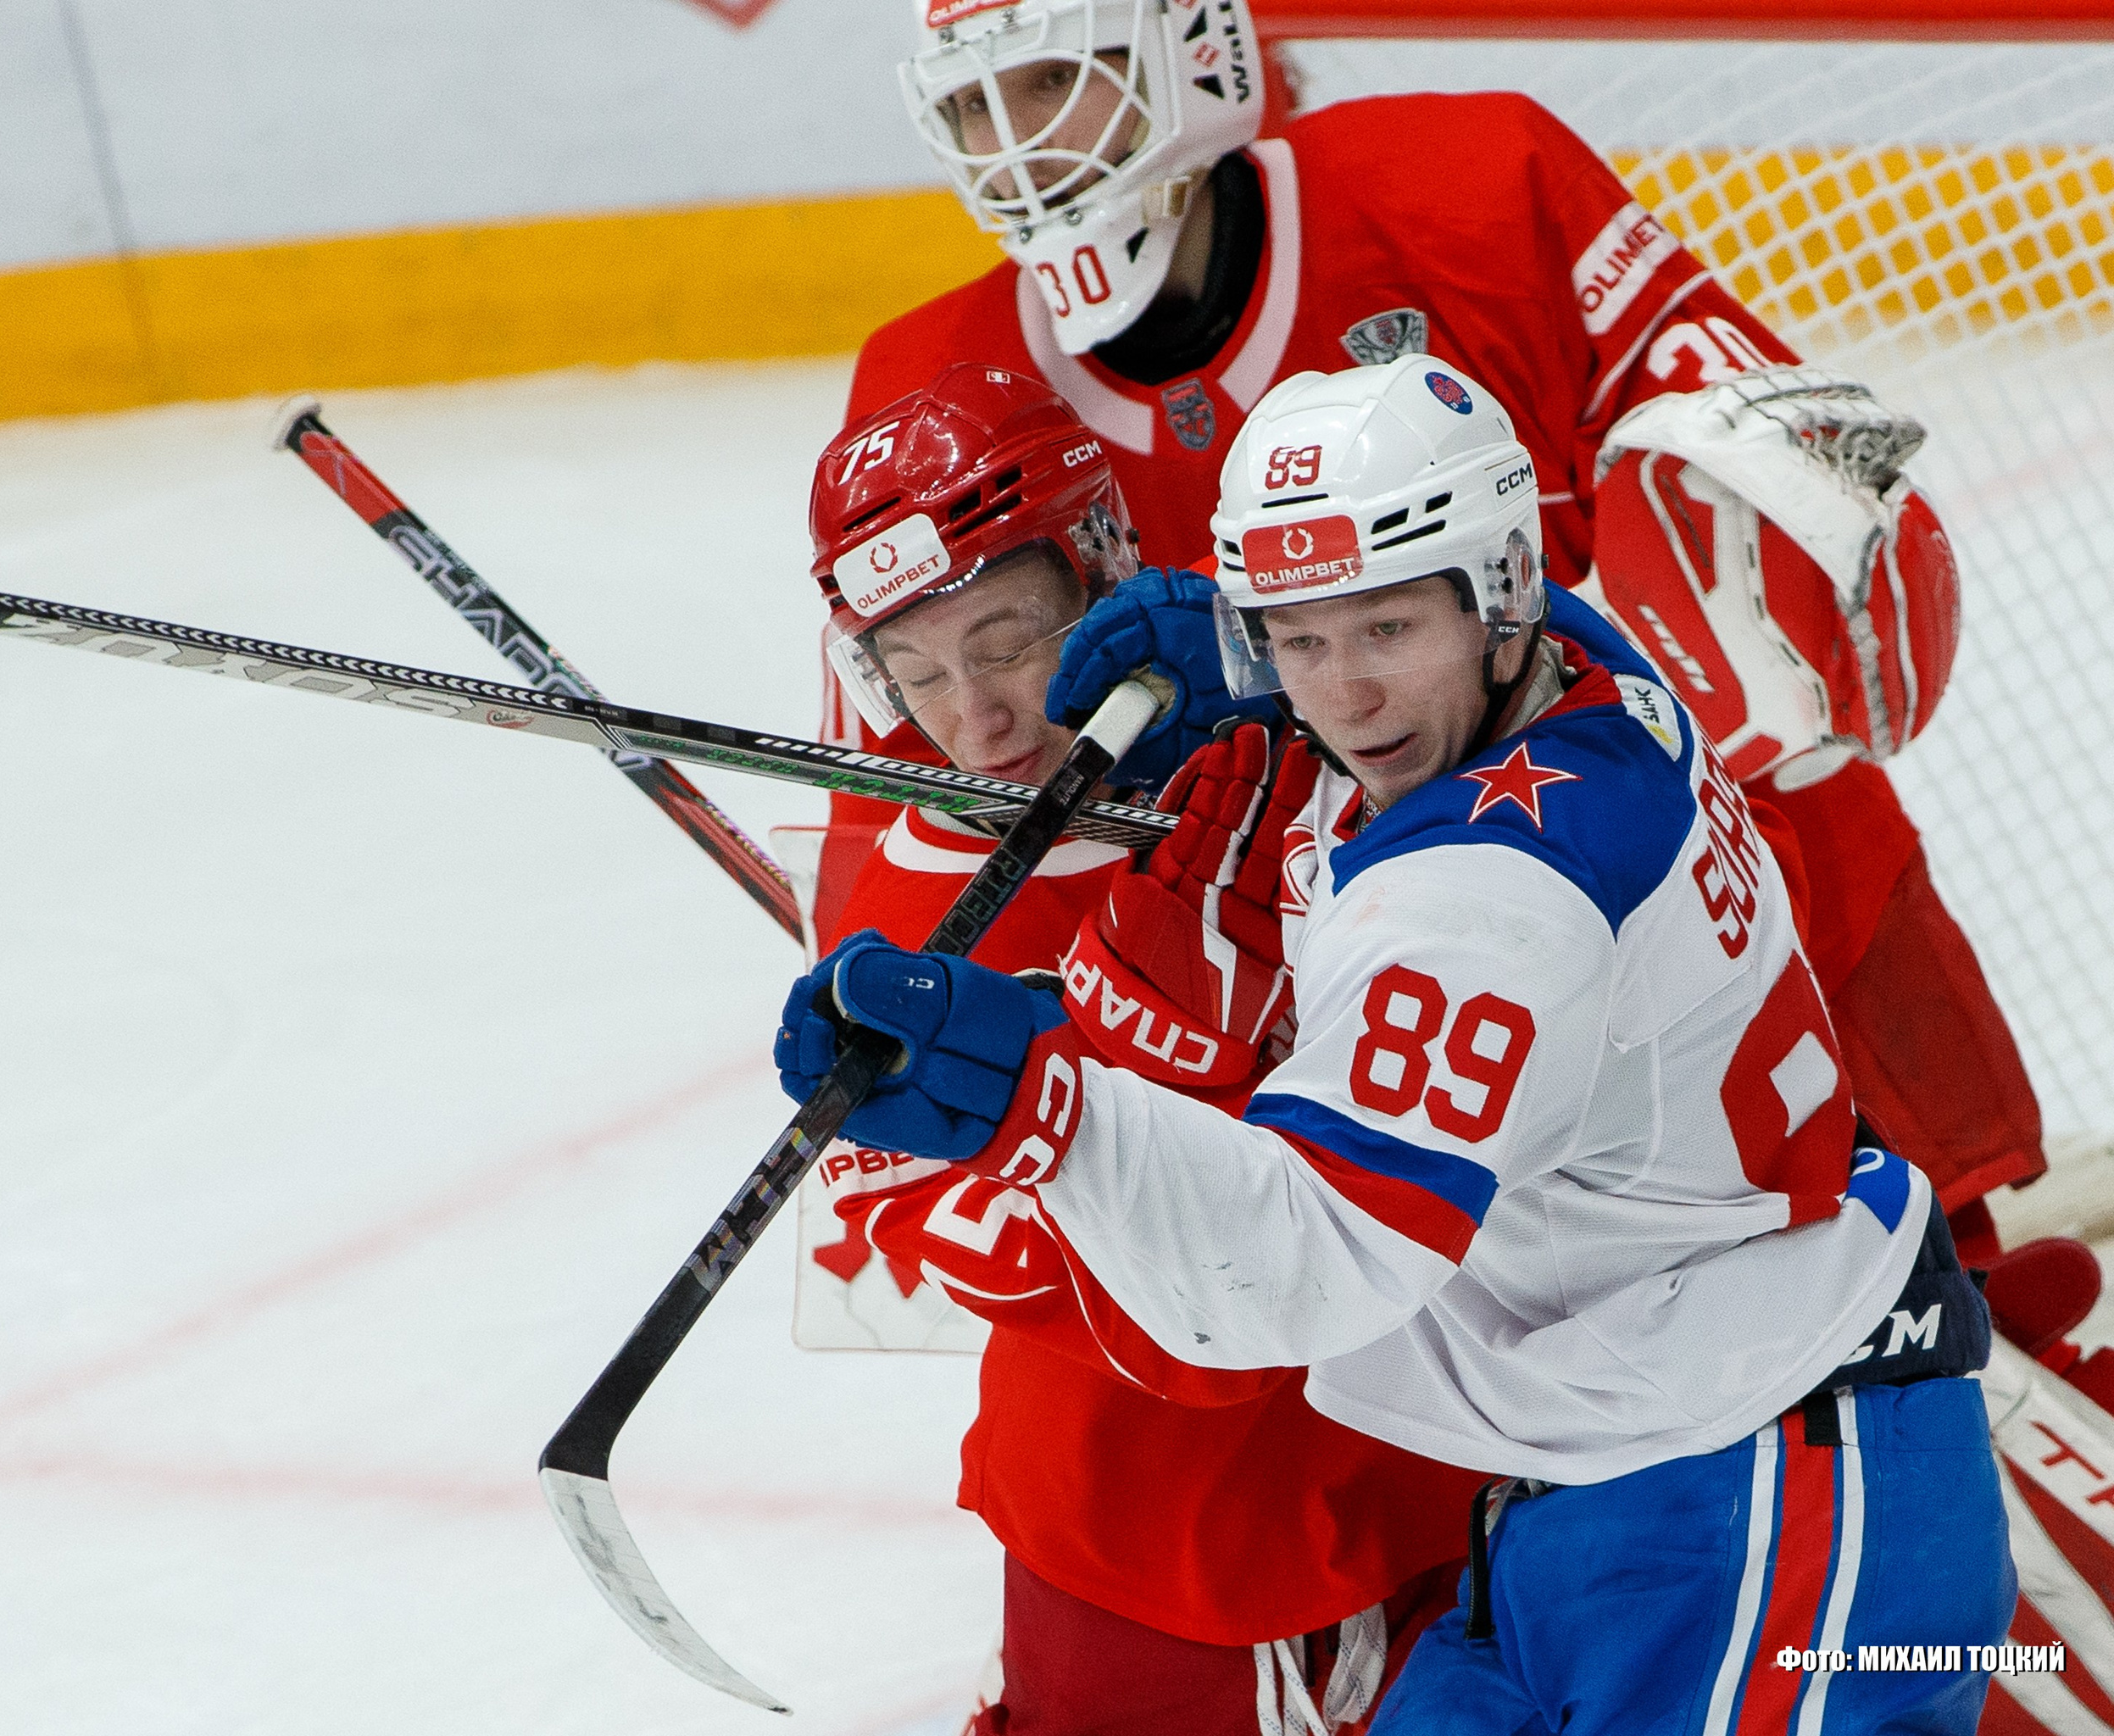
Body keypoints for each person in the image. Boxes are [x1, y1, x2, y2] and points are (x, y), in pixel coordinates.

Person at [780, 358, 2017, 1734]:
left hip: (1743, 1470)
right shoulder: (1597, 679)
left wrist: (1046, 1094)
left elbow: (1293, 1275)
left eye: (1385, 630)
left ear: (1497, 594)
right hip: (1566, 1476)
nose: (1349, 702)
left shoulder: (1474, 896)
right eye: (1300, 642)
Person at [809, 0, 2044, 1260]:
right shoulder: (934, 403)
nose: (1014, 144)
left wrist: (1261, 663)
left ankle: (1945, 1236)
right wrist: (888, 1023)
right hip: (1342, 1013)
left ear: (1194, 48)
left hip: (1669, 876)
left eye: (1049, 81)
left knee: (1775, 777)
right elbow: (893, 813)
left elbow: (1785, 578)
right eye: (972, 104)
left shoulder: (1477, 191)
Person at [800, 360, 1483, 1735]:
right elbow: (944, 1226)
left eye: (1005, 643)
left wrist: (1274, 697)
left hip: (1427, 1449)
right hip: (1137, 1527)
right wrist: (1107, 1084)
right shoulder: (902, 909)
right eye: (915, 673)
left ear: (1106, 563)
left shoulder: (1305, 719)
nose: (974, 720)